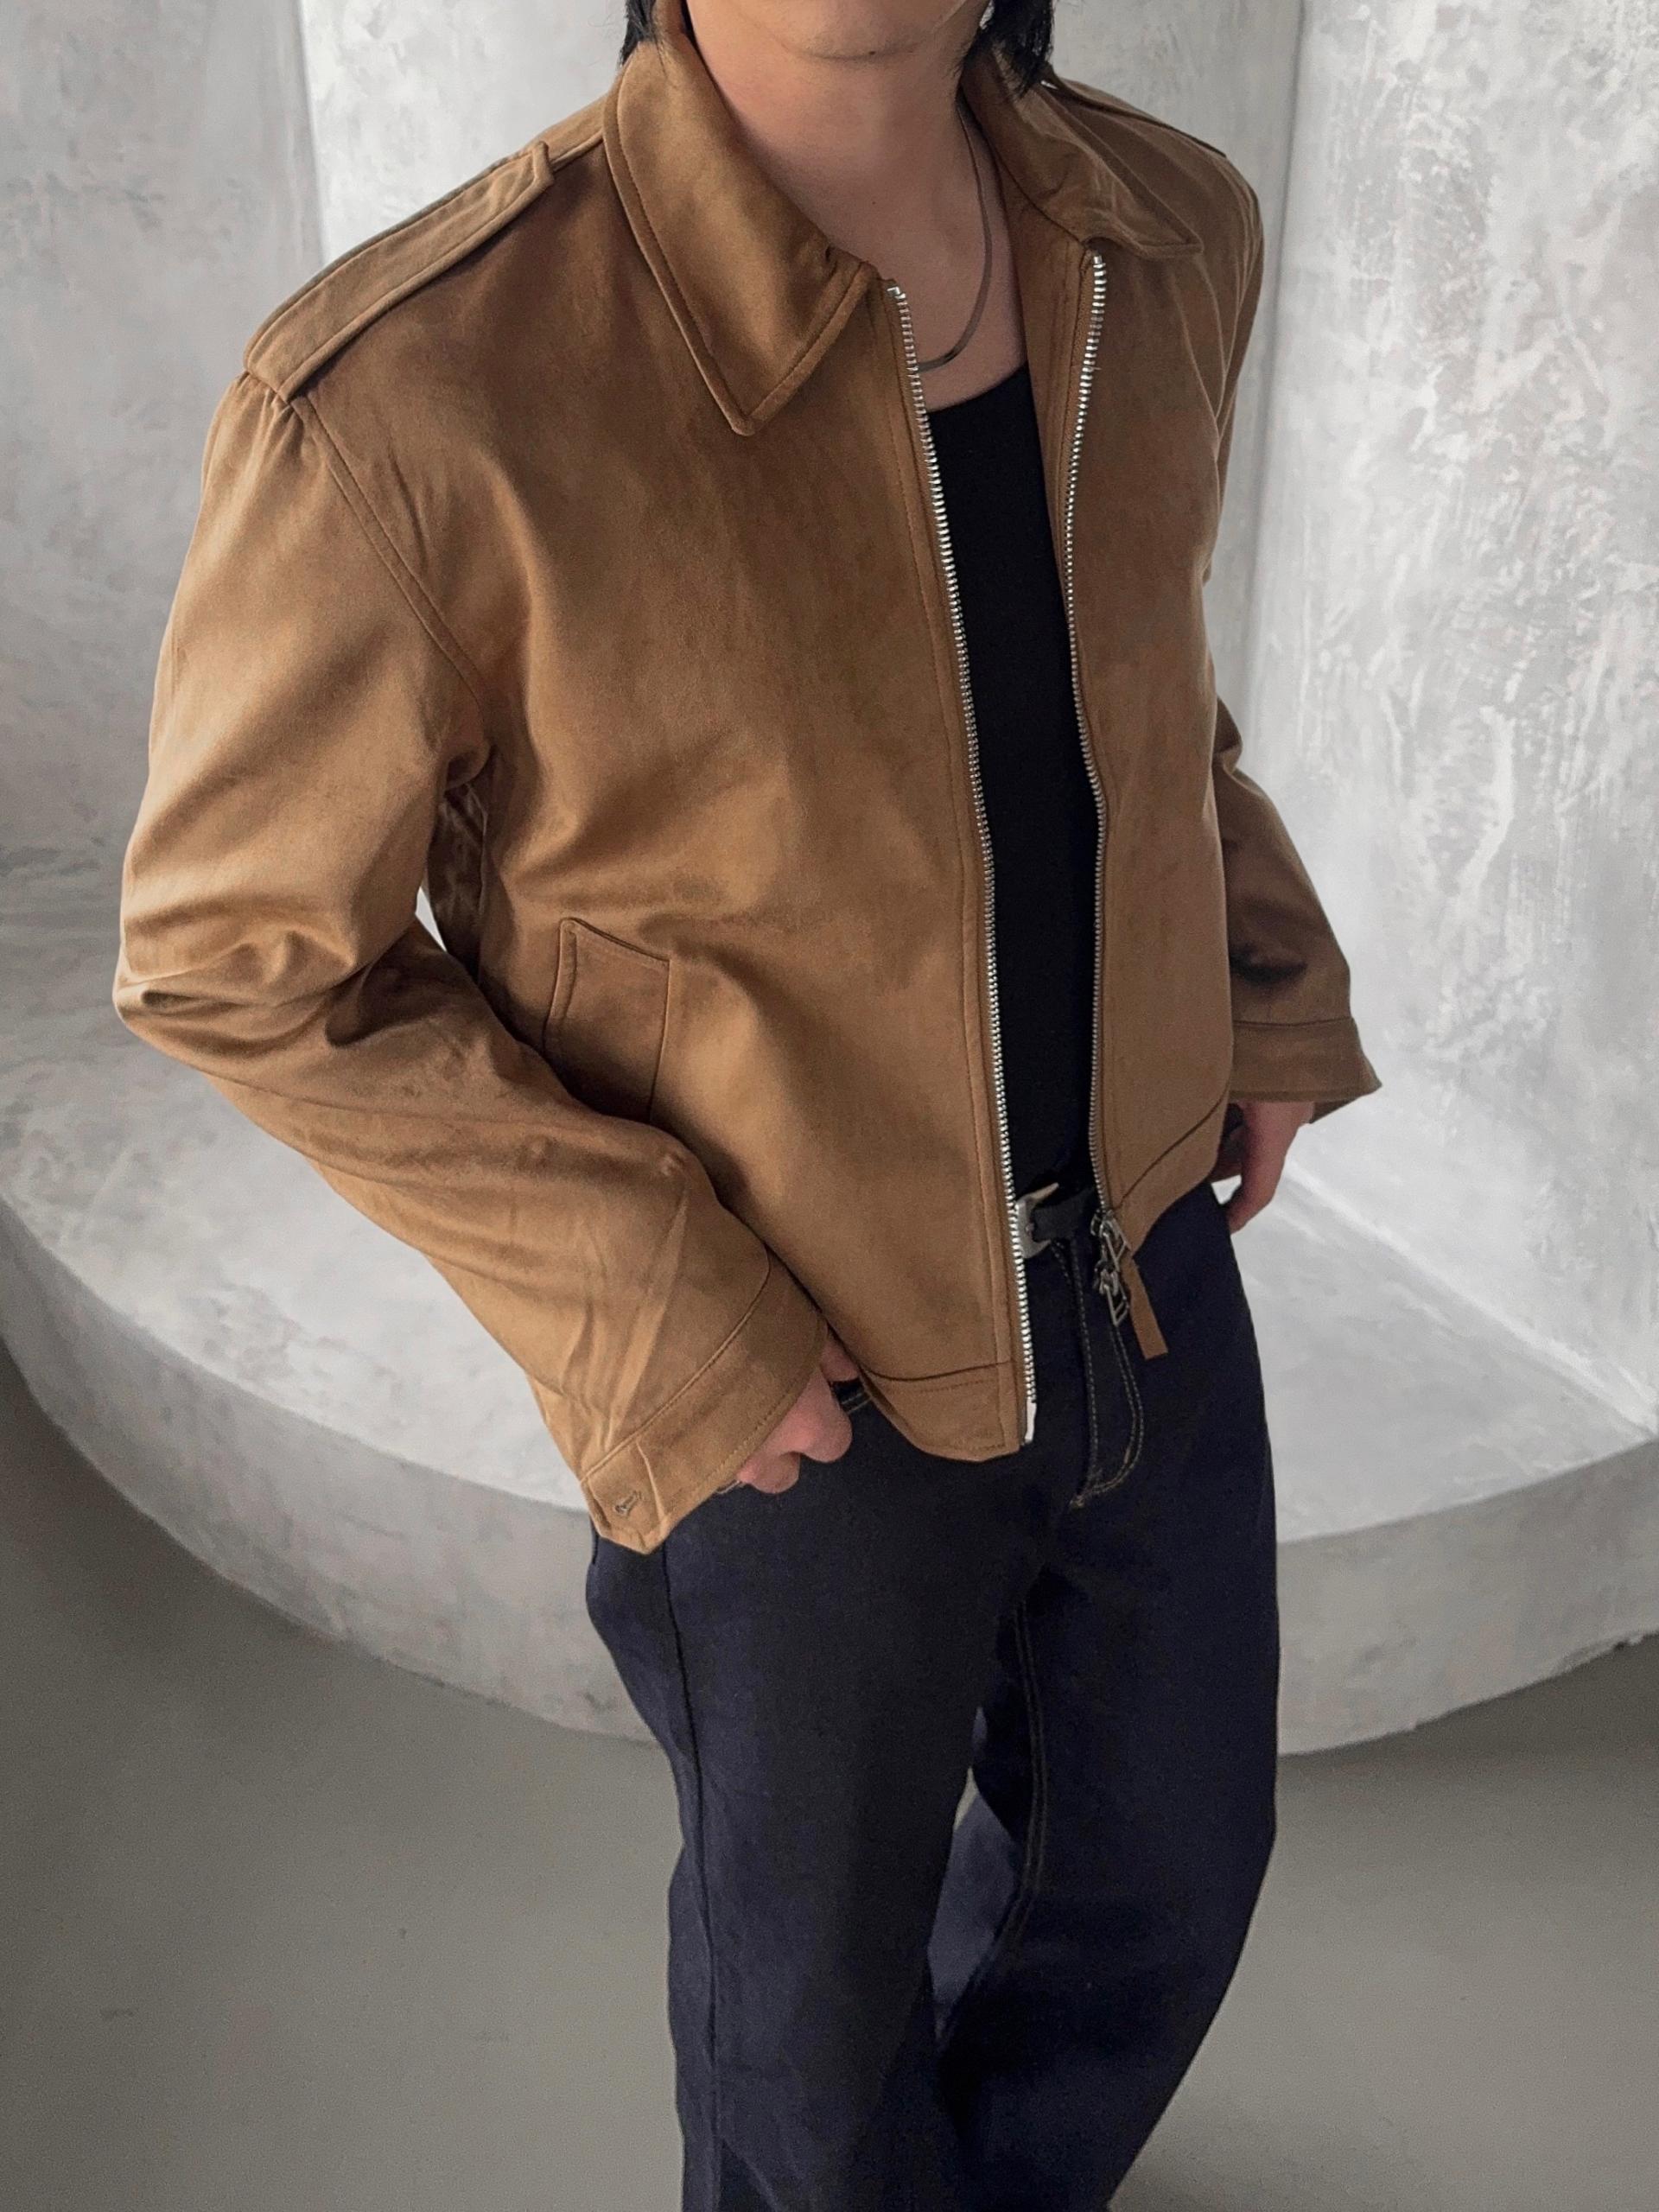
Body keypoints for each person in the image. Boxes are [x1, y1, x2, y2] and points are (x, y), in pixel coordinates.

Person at [112, 0, 1381, 2202]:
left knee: (1161, 1872)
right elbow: (237, 956)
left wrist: (1259, 989)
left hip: (1148, 1270)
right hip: (794, 1384)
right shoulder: (415, 395)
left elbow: (1144, 683)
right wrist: (658, 1314)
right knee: (809, 2040)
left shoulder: (1167, 234)